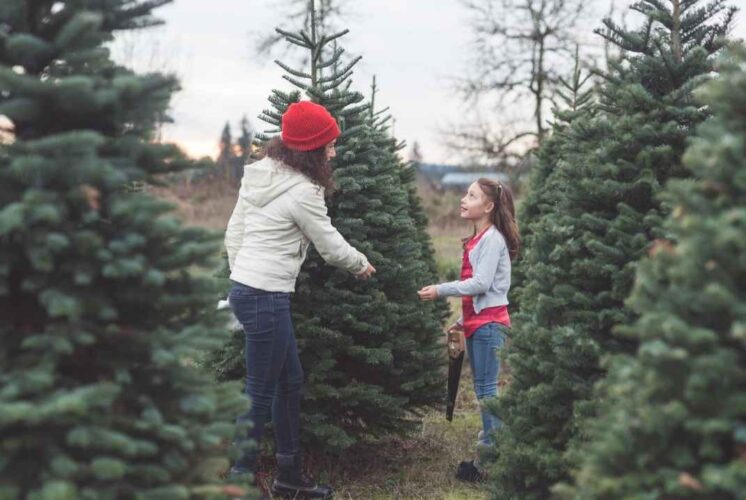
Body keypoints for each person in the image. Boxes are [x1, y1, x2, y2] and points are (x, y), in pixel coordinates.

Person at [224, 100, 376, 498]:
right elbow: (329, 244)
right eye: (328, 145)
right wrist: (360, 264)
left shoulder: (261, 175)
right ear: (310, 149)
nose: (334, 152)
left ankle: (289, 477)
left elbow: (233, 234)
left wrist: (241, 275)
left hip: (251, 290)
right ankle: (238, 480)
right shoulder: (304, 192)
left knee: (289, 381)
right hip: (265, 296)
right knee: (260, 392)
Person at [418, 178, 519, 482]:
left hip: (490, 326)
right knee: (482, 390)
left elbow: (481, 285)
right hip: (478, 323)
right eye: (465, 193)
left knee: (487, 392)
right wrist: (462, 321)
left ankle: (491, 461)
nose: (463, 199)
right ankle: (490, 452)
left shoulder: (492, 240)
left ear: (488, 206)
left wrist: (440, 289)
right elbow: (483, 295)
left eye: (471, 196)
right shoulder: (478, 238)